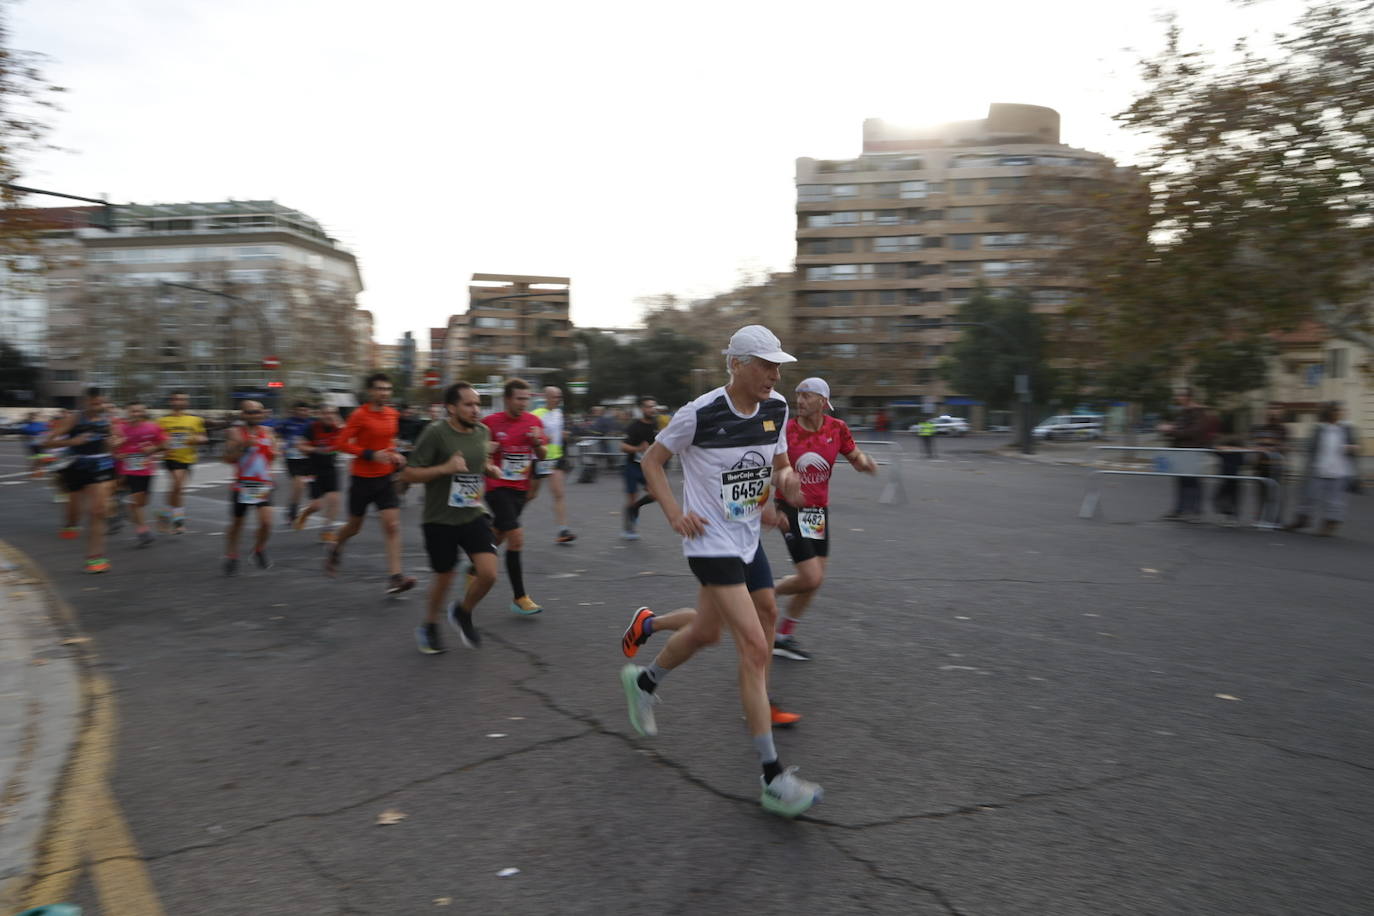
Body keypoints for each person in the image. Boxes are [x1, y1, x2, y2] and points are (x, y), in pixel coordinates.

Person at [617, 324, 823, 818]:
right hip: (708, 540)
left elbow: (777, 466)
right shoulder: (700, 413)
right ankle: (772, 776)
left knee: (711, 631)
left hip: (748, 536)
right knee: (754, 644)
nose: (774, 375)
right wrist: (672, 512)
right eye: (765, 365)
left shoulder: (775, 409)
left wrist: (783, 489)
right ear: (736, 365)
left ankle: (644, 682)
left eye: (778, 366)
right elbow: (652, 461)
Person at [771, 377, 877, 659]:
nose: (800, 401)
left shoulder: (836, 428)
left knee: (814, 581)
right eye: (798, 395)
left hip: (816, 510)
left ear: (822, 401)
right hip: (788, 507)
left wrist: (865, 463)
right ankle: (764, 592)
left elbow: (854, 456)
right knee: (810, 575)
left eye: (806, 396)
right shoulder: (786, 431)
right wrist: (783, 479)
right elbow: (768, 470)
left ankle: (783, 636)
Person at [401, 381, 502, 654]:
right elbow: (409, 474)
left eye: (477, 404)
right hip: (439, 519)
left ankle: (463, 612)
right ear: (451, 408)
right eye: (468, 404)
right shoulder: (435, 433)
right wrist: (445, 468)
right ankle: (430, 624)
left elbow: (477, 462)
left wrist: (489, 468)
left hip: (472, 513)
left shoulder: (482, 431)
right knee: (444, 578)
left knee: (489, 573)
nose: (475, 410)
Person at [326, 373, 416, 596]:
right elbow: (340, 444)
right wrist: (369, 454)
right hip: (362, 479)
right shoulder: (359, 415)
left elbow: (389, 443)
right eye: (379, 389)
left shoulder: (392, 414)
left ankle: (395, 577)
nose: (384, 393)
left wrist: (395, 455)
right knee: (354, 526)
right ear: (370, 391)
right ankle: (337, 543)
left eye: (387, 389)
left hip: (385, 478)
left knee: (392, 526)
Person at [483, 378, 547, 615]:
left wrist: (537, 442)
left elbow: (541, 454)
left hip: (520, 489)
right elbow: (480, 454)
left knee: (499, 533)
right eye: (519, 398)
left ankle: (475, 564)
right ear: (508, 398)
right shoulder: (490, 422)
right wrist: (488, 452)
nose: (524, 403)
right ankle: (520, 597)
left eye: (526, 399)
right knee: (516, 537)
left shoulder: (533, 422)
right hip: (496, 486)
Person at [44, 388, 122, 573]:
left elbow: (115, 441)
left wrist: (114, 445)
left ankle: (95, 558)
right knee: (76, 512)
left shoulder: (107, 420)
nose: (99, 406)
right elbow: (47, 442)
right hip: (77, 466)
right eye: (95, 403)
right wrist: (72, 442)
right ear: (86, 402)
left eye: (101, 403)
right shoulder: (73, 419)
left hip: (101, 465)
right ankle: (71, 523)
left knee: (98, 510)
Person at [1286, 402, 1361, 537]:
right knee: (1309, 495)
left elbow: (1355, 446)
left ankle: (1330, 524)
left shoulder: (1346, 428)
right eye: (1337, 411)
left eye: (1340, 411)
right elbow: (1310, 448)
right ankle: (1302, 520)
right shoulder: (1320, 429)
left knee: (1335, 500)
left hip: (1340, 471)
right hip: (1319, 468)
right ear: (1329, 413)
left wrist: (1352, 448)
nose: (1340, 413)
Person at [222, 400, 278, 575]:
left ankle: (259, 549)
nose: (254, 415)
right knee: (238, 524)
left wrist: (275, 452)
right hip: (243, 484)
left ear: (263, 414)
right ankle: (232, 555)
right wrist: (243, 447)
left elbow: (273, 454)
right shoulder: (235, 433)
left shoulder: (269, 432)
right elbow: (227, 458)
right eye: (250, 412)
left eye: (257, 412)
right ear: (242, 414)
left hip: (262, 484)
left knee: (267, 523)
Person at [114, 402, 168, 548]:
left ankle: (126, 508)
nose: (136, 414)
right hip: (130, 469)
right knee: (137, 501)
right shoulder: (121, 428)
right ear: (127, 412)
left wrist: (153, 449)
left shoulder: (153, 427)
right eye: (133, 411)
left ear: (143, 413)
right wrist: (118, 453)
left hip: (147, 469)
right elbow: (113, 447)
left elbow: (165, 444)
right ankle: (143, 532)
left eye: (139, 411)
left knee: (143, 503)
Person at [1158, 388, 1214, 521]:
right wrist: (1169, 429)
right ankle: (1179, 509)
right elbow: (1181, 428)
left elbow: (1193, 432)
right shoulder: (1183, 411)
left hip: (1191, 451)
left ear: (1187, 397)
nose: (1178, 398)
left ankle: (1195, 512)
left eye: (1180, 395)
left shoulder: (1198, 412)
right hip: (1179, 451)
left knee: (1192, 482)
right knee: (1180, 482)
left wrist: (1171, 430)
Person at [156, 391, 207, 534]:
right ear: (171, 402)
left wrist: (197, 440)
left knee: (177, 489)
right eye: (176, 399)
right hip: (170, 457)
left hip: (188, 458)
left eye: (183, 400)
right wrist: (162, 444)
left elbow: (203, 438)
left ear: (187, 403)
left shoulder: (195, 420)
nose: (179, 402)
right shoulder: (162, 421)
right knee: (177, 485)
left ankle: (166, 518)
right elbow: (156, 440)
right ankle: (178, 522)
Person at [532, 386, 576, 544]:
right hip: (540, 459)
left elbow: (562, 432)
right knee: (531, 495)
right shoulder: (536, 414)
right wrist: (543, 438)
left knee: (559, 494)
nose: (557, 399)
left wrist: (564, 435)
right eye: (554, 396)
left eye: (559, 396)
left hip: (556, 459)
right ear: (546, 397)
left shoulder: (559, 414)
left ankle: (563, 530)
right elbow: (530, 435)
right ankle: (509, 519)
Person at [293, 406, 344, 541]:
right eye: (326, 413)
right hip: (312, 469)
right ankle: (305, 513)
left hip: (330, 467)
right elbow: (300, 446)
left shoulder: (338, 427)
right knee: (317, 505)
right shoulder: (312, 427)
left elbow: (348, 440)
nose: (329, 416)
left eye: (332, 413)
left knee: (334, 500)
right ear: (320, 414)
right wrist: (316, 449)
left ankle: (327, 531)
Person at [620, 396, 661, 540]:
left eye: (653, 406)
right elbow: (623, 447)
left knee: (655, 494)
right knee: (631, 498)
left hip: (648, 467)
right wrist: (638, 448)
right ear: (643, 409)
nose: (652, 409)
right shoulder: (634, 426)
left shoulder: (655, 425)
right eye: (649, 407)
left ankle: (636, 507)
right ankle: (629, 529)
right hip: (632, 466)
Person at [1249, 406, 1289, 526]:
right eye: (1271, 414)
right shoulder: (1260, 429)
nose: (1273, 416)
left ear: (1280, 416)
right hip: (1261, 466)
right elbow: (1255, 445)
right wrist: (1258, 451)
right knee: (1260, 495)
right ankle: (1259, 519)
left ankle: (1276, 520)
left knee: (1275, 495)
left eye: (1275, 414)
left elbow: (1285, 446)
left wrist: (1271, 449)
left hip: (1276, 467)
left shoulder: (1283, 430)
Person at [278, 401, 316, 526]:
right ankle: (292, 512)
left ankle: (294, 507)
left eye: (305, 410)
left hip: (308, 459)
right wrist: (281, 445)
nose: (303, 413)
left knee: (307, 487)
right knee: (298, 485)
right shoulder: (287, 423)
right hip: (293, 459)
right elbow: (275, 434)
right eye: (300, 410)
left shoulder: (312, 424)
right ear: (295, 411)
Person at [395, 404, 430, 507]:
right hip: (398, 453)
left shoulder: (417, 422)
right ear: (401, 412)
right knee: (398, 476)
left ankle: (402, 493)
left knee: (408, 477)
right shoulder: (397, 421)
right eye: (405, 413)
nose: (407, 414)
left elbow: (423, 435)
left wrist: (416, 444)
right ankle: (398, 495)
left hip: (411, 453)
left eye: (409, 412)